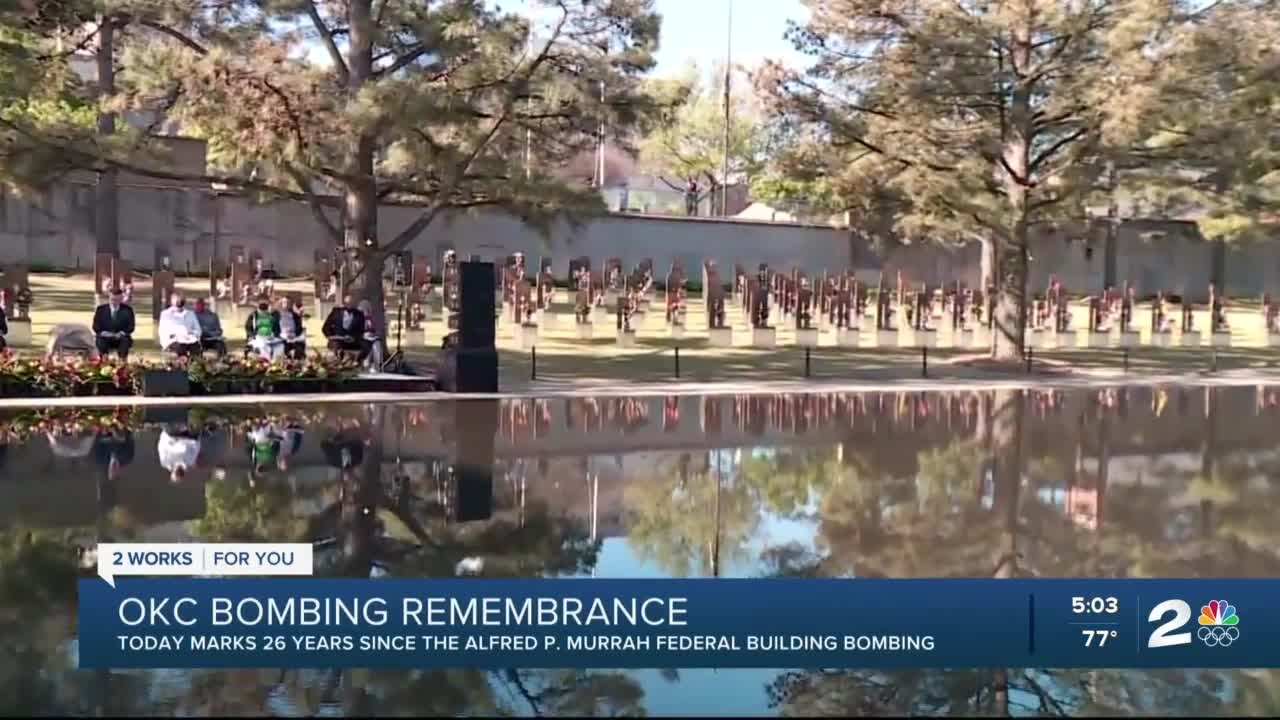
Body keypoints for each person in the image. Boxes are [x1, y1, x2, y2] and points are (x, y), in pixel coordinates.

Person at [91, 287, 135, 359]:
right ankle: (103, 361)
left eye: (117, 300)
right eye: (112, 299)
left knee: (125, 341)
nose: (114, 302)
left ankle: (122, 362)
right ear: (109, 298)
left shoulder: (128, 310)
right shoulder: (101, 309)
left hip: (120, 337)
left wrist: (121, 333)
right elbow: (95, 326)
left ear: (121, 299)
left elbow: (131, 327)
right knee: (100, 341)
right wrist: (105, 333)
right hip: (105, 337)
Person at [323, 293, 368, 362]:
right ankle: (336, 361)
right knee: (335, 346)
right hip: (337, 342)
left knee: (364, 346)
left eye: (351, 304)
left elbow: (361, 330)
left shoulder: (359, 314)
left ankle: (354, 362)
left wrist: (354, 338)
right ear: (344, 304)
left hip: (353, 343)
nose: (349, 306)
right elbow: (325, 328)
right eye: (348, 304)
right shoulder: (336, 312)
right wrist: (331, 337)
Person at [158, 292, 203, 357]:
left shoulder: (190, 314)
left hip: (189, 340)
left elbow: (198, 330)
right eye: (177, 304)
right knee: (181, 349)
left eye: (181, 304)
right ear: (172, 303)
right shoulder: (165, 314)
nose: (178, 307)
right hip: (173, 341)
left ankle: (195, 365)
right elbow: (163, 332)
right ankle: (182, 365)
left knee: (196, 348)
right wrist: (176, 335)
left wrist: (191, 334)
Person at [356, 299, 385, 369]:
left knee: (376, 345)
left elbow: (376, 329)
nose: (364, 311)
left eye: (366, 309)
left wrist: (374, 334)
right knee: (367, 347)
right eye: (363, 309)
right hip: (363, 339)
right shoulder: (358, 318)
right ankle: (366, 364)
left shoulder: (371, 319)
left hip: (373, 338)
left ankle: (378, 365)